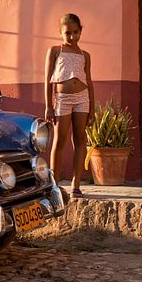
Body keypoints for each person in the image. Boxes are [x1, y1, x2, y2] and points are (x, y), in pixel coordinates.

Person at [44, 13, 95, 198]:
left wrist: (92, 109)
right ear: (60, 33)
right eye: (67, 33)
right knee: (60, 140)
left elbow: (89, 81)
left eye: (75, 32)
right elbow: (48, 80)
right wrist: (48, 105)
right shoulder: (55, 51)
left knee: (80, 139)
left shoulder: (85, 55)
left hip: (83, 99)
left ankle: (76, 184)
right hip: (62, 99)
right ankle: (54, 184)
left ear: (81, 32)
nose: (72, 37)